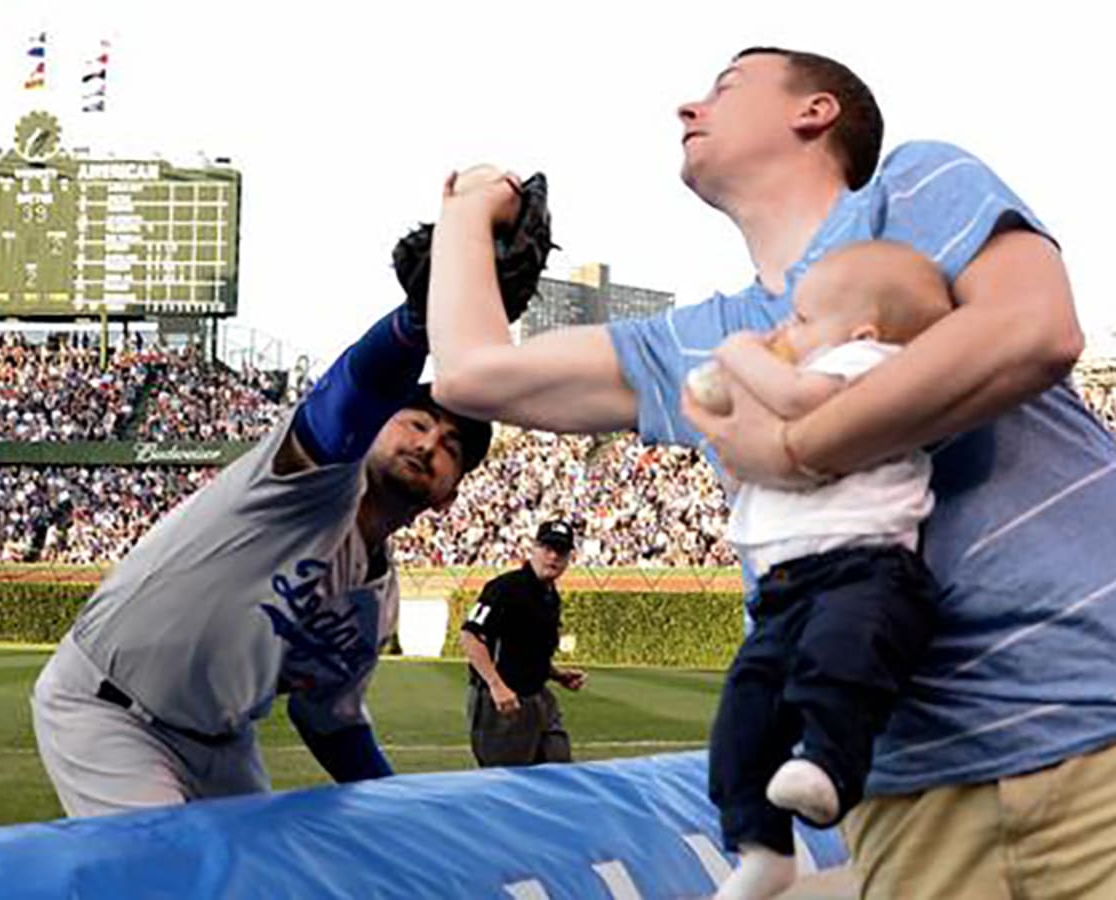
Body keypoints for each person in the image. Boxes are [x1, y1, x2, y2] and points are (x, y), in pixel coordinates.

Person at [426, 48, 1116, 899]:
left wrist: (797, 447)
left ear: (816, 111)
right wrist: (468, 205)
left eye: (725, 87)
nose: (687, 106)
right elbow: (470, 373)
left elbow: (1033, 330)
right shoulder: (696, 341)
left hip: (1094, 722)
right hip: (905, 796)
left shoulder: (909, 190)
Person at [30, 296, 492, 817]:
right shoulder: (308, 487)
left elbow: (330, 721)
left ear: (449, 495)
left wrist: (403, 806)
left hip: (224, 744)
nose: (429, 444)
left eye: (452, 446)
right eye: (416, 423)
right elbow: (346, 398)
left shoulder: (377, 606)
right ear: (376, 426)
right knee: (167, 874)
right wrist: (415, 322)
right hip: (111, 710)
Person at [692, 240, 950, 899]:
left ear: (862, 330)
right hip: (785, 588)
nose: (787, 331)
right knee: (745, 717)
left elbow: (801, 397)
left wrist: (740, 353)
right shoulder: (819, 369)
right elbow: (742, 459)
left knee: (839, 667)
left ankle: (830, 768)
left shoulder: (872, 363)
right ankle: (762, 845)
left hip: (864, 570)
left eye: (803, 319)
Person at [459, 518, 587, 766]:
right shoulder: (504, 588)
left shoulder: (550, 597)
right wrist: (496, 686)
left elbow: (527, 650)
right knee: (508, 785)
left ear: (569, 558)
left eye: (560, 551)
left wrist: (556, 675)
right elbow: (470, 635)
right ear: (534, 549)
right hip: (503, 703)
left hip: (538, 698)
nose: (553, 557)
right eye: (547, 548)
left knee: (560, 775)